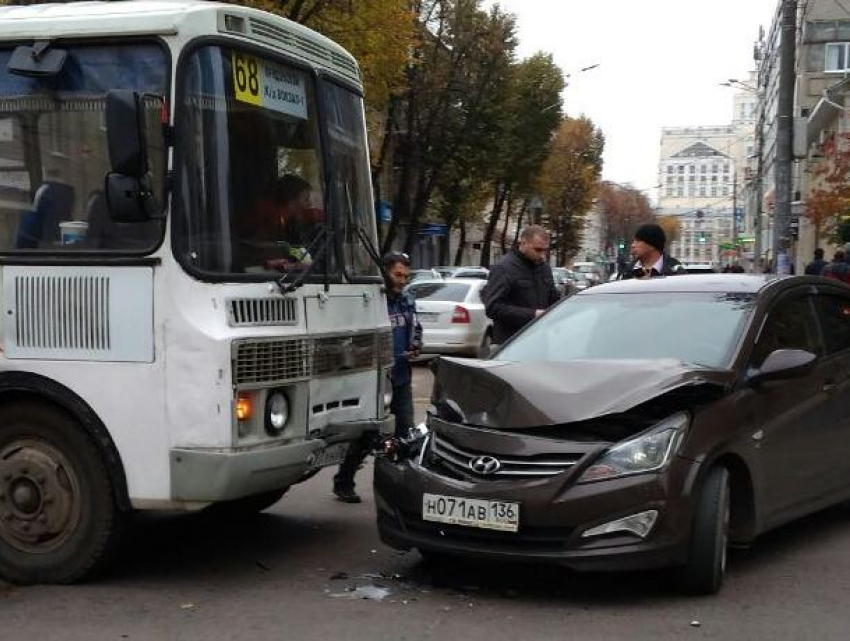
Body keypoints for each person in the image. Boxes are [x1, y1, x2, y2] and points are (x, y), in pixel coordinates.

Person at [332, 251, 422, 503]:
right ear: (384, 273)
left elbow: (416, 326)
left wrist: (416, 343)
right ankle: (343, 481)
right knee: (368, 434)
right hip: (375, 380)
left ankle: (402, 488)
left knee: (406, 432)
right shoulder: (372, 302)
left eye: (406, 276)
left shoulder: (406, 299)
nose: (403, 280)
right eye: (398, 275)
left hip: (401, 376)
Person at [483, 225, 559, 345]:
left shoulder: (544, 268)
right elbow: (493, 308)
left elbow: (553, 300)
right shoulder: (504, 268)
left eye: (545, 250)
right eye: (538, 250)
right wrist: (532, 314)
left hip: (540, 341)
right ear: (523, 244)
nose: (542, 255)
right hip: (510, 344)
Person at [619, 223, 685, 279]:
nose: (632, 245)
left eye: (638, 241)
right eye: (633, 241)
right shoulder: (627, 272)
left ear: (652, 246)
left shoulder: (676, 272)